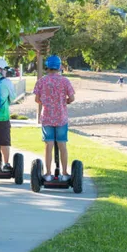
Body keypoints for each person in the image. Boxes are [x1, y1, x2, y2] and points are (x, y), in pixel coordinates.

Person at [33, 54, 75, 182]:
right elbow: (72, 98)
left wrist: (47, 102)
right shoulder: (65, 81)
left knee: (49, 145)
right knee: (62, 144)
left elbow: (37, 99)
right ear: (59, 67)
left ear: (47, 67)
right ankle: (64, 173)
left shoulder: (42, 81)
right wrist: (65, 101)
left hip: (47, 117)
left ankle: (48, 173)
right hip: (61, 117)